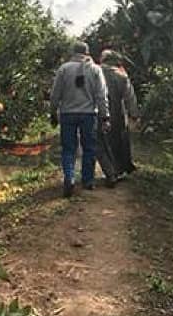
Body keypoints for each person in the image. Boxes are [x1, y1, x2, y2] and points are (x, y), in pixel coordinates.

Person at [49, 41, 111, 198]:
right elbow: (101, 95)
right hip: (88, 114)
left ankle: (69, 179)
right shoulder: (96, 69)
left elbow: (55, 94)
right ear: (87, 52)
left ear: (73, 52)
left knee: (68, 148)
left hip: (67, 114)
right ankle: (87, 180)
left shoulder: (63, 69)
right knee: (89, 148)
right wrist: (105, 116)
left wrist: (53, 112)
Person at [96, 49, 140, 187]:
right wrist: (134, 114)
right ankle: (120, 168)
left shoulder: (95, 71)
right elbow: (129, 97)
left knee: (103, 141)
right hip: (117, 112)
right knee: (118, 139)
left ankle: (110, 171)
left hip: (98, 111)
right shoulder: (121, 75)